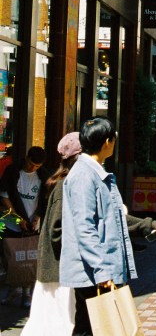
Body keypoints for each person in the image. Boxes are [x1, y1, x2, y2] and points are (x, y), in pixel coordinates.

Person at [60, 117, 156, 335]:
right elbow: (84, 228)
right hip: (94, 271)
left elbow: (113, 218)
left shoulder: (95, 172)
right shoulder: (84, 175)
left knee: (92, 327)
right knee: (94, 327)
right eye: (114, 137)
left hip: (99, 269)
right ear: (107, 142)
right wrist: (102, 272)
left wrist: (150, 226)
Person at [21, 132, 81, 334]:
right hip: (60, 266)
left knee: (51, 318)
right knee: (57, 319)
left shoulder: (59, 180)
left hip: (57, 266)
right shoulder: (65, 184)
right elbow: (57, 230)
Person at [1, 145, 48, 308]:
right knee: (11, 257)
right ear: (26, 158)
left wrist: (36, 218)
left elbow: (44, 201)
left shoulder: (42, 176)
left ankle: (26, 292)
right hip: (13, 222)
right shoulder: (13, 171)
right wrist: (17, 219)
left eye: (37, 166)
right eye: (31, 164)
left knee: (30, 258)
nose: (33, 168)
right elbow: (5, 197)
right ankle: (13, 287)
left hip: (32, 224)